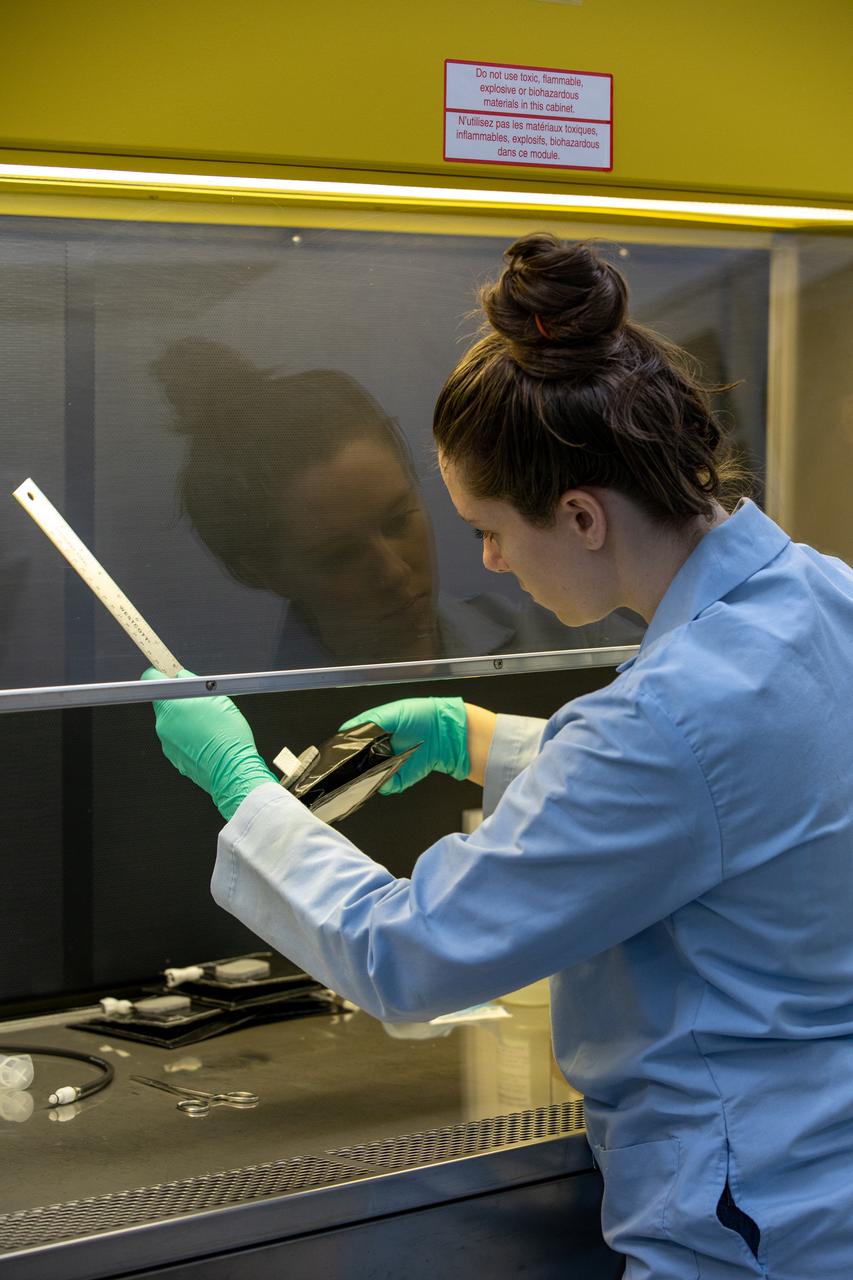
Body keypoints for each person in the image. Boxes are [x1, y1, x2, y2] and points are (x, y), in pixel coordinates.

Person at [143, 234, 853, 1278]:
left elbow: (403, 953)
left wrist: (243, 789)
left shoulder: (662, 719)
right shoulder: (819, 593)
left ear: (578, 514)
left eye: (487, 528)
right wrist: (480, 738)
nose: (484, 560)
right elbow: (737, 795)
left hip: (749, 1224)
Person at [153, 340, 636, 668]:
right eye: (338, 556)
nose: (393, 572)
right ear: (262, 570)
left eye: (397, 518)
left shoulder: (575, 646)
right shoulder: (254, 717)